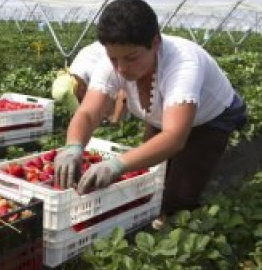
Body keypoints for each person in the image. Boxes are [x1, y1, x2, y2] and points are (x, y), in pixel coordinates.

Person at [54, 0, 247, 228]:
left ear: (155, 43)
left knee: (178, 195)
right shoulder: (113, 63)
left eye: (131, 57)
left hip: (212, 118)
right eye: (113, 58)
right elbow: (87, 112)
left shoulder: (183, 64)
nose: (121, 68)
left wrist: (115, 165)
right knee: (149, 175)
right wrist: (74, 147)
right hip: (162, 117)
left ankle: (177, 219)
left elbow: (174, 137)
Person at [51, 42, 128, 124]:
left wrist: (115, 122)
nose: (80, 101)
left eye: (78, 98)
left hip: (129, 49)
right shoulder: (74, 72)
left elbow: (124, 94)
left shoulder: (98, 72)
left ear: (80, 88)